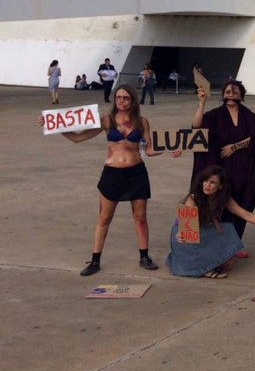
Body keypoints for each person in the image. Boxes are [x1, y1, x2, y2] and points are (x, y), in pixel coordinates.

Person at [45, 84, 173, 276]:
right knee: (104, 218)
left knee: (140, 217)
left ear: (133, 100)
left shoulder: (142, 122)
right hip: (112, 174)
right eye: (118, 97)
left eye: (125, 98)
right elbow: (78, 138)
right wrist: (56, 127)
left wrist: (170, 149)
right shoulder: (106, 120)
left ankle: (144, 256)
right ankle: (95, 260)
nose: (121, 101)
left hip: (136, 173)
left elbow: (148, 150)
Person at [166, 165, 255, 278]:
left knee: (228, 263)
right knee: (203, 260)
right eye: (205, 181)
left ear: (220, 186)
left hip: (206, 232)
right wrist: (180, 234)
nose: (207, 185)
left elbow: (246, 215)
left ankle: (206, 263)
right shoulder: (193, 199)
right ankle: (203, 268)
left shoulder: (223, 199)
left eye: (212, 182)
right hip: (185, 235)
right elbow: (187, 227)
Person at [192, 79, 255, 256]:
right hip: (220, 169)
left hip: (243, 170)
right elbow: (196, 129)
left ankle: (235, 244)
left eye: (235, 92)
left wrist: (234, 147)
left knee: (241, 203)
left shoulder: (249, 116)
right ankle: (218, 245)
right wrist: (202, 103)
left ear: (241, 95)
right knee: (220, 206)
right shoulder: (215, 115)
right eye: (228, 92)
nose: (231, 95)